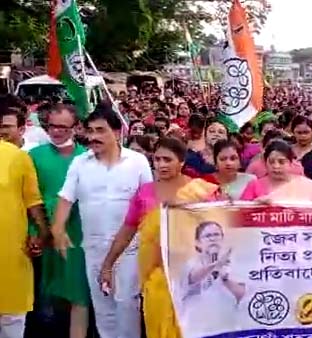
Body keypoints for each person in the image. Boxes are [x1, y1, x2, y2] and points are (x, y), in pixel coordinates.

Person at [99, 138, 219, 338]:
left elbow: (222, 227)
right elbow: (126, 231)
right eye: (157, 159)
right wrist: (107, 265)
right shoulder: (145, 193)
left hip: (194, 276)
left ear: (181, 162)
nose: (161, 165)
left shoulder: (201, 192)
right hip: (157, 276)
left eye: (167, 160)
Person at [51, 105, 153, 338]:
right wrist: (58, 228)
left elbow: (148, 203)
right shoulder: (80, 163)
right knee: (103, 309)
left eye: (100, 130)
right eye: (90, 131)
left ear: (117, 133)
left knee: (127, 305)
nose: (93, 137)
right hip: (94, 248)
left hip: (129, 250)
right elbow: (66, 198)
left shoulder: (137, 162)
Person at [28, 104, 90, 338]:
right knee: (46, 295)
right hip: (41, 232)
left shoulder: (86, 157)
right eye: (52, 126)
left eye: (63, 127)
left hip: (76, 233)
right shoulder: (34, 156)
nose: (56, 131)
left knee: (77, 293)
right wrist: (34, 231)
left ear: (75, 127)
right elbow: (28, 198)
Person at [0, 138, 49, 338]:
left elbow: (33, 201)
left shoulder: (16, 156)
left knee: (11, 319)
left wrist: (41, 235)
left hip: (10, 252)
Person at [178, 222, 246, 337]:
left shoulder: (233, 264)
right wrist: (215, 265)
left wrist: (225, 278)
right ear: (198, 243)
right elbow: (193, 278)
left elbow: (242, 294)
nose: (213, 239)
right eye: (208, 236)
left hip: (227, 330)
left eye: (216, 235)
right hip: (197, 332)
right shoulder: (191, 264)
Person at [240, 140, 312, 203]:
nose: (276, 166)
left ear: (290, 163)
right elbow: (241, 213)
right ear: (265, 163)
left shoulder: (306, 185)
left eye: (281, 162)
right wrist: (255, 205)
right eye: (271, 162)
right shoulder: (254, 185)